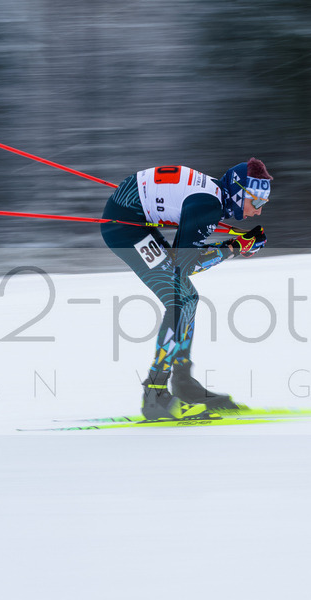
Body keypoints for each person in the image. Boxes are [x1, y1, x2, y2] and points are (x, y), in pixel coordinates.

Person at [100, 158, 272, 420]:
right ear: (239, 192)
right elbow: (187, 265)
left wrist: (236, 242)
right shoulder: (209, 205)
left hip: (132, 214)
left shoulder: (215, 196)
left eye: (263, 204)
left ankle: (182, 383)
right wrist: (235, 247)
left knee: (187, 298)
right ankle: (155, 394)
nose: (258, 211)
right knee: (180, 301)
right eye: (256, 202)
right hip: (124, 227)